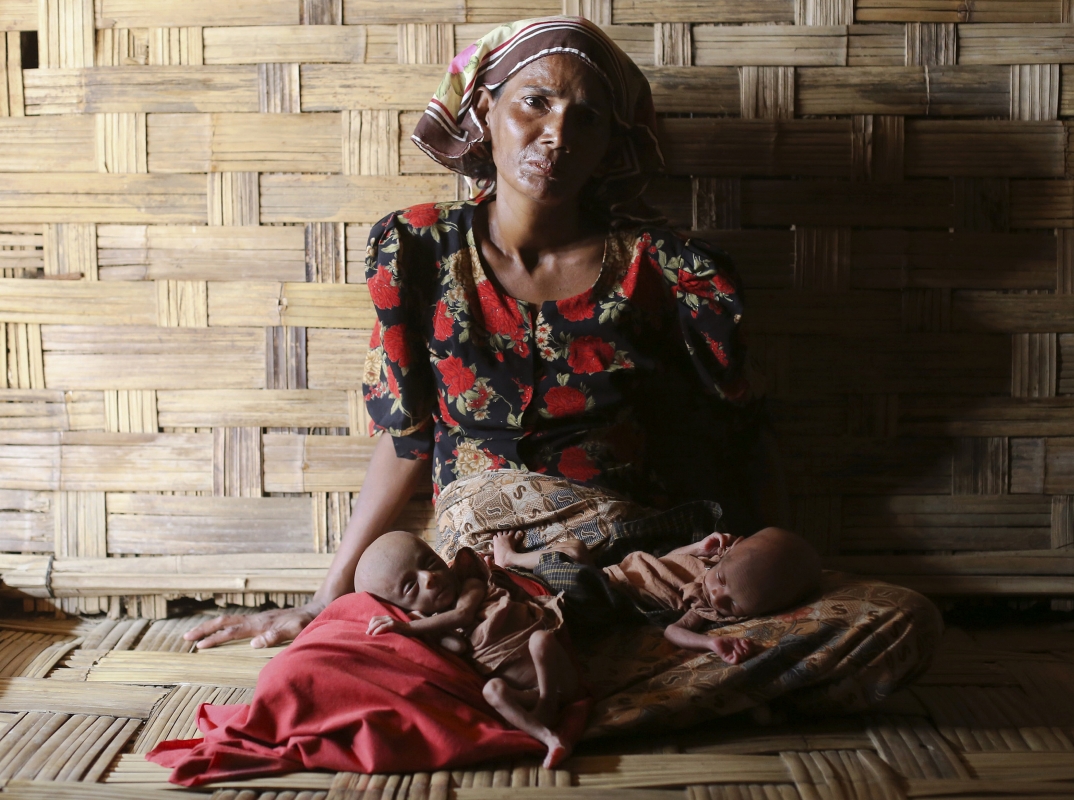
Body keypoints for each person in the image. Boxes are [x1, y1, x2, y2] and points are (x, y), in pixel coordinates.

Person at [185, 16, 815, 653]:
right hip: (477, 584)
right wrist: (328, 598)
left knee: (897, 621)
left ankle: (548, 678)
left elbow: (742, 433)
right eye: (534, 103)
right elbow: (406, 438)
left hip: (636, 574)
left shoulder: (668, 269)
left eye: (588, 117)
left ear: (610, 143)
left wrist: (774, 564)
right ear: (485, 108)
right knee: (357, 654)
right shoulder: (420, 250)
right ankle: (571, 674)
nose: (557, 134)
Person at [355, 531, 578, 767]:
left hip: (559, 678)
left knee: (540, 641)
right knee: (493, 691)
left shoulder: (471, 586)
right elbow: (457, 645)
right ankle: (549, 738)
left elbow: (462, 615)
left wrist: (408, 627)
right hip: (527, 695)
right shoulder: (434, 626)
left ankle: (548, 704)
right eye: (411, 587)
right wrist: (428, 629)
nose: (429, 578)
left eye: (430, 563)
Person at [492, 527, 821, 664]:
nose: (717, 594)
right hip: (608, 571)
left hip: (600, 592)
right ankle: (515, 566)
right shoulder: (714, 563)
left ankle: (510, 561)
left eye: (733, 603)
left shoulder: (707, 607)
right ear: (726, 554)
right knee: (577, 549)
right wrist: (696, 547)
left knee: (571, 556)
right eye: (719, 579)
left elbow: (672, 631)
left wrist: (711, 643)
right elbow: (670, 562)